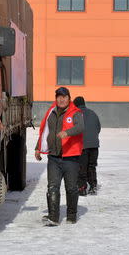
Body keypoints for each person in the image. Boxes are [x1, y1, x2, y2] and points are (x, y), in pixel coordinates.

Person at [35, 87, 84, 226]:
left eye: (64, 97)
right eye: (59, 97)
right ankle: (53, 217)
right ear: (56, 98)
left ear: (69, 98)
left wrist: (67, 132)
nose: (61, 99)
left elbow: (81, 127)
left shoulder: (76, 112)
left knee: (71, 188)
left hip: (71, 158)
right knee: (52, 187)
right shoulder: (51, 112)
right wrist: (38, 148)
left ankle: (71, 215)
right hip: (54, 157)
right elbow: (45, 131)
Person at [73, 96, 101, 196]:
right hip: (94, 145)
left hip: (82, 146)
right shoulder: (93, 113)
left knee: (82, 167)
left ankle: (82, 188)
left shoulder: (75, 114)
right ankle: (93, 186)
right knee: (92, 166)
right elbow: (98, 128)